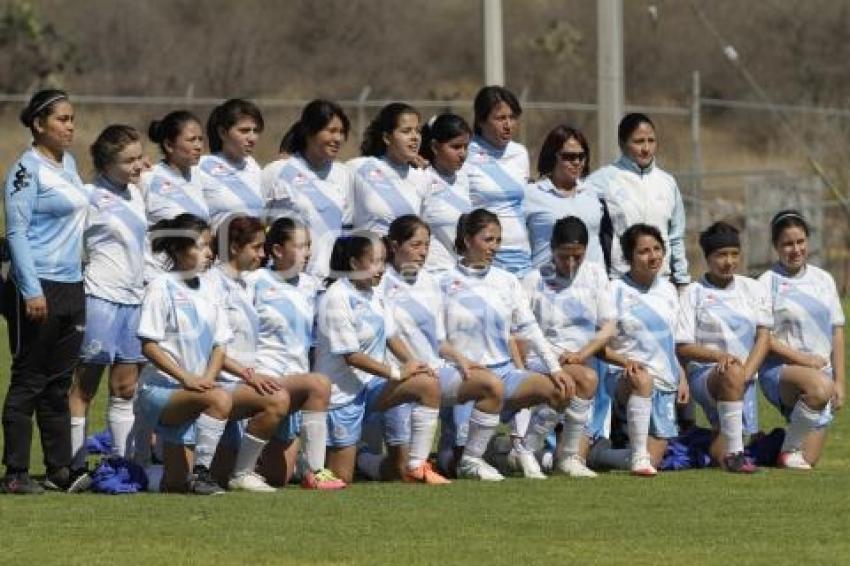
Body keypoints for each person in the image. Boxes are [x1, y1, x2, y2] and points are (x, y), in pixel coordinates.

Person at [440, 208, 575, 480]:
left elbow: (529, 328)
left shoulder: (507, 281)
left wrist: (555, 368)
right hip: (466, 378)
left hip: (504, 373)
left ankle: (524, 450)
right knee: (451, 462)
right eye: (488, 240)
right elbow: (434, 337)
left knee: (561, 389)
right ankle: (468, 456)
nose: (495, 247)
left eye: (498, 240)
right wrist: (458, 360)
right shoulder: (441, 281)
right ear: (467, 240)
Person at [1, 90, 90, 494]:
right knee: (28, 381)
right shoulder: (25, 171)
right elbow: (17, 231)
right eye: (62, 120)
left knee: (58, 382)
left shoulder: (69, 163)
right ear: (38, 124)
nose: (69, 126)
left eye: (72, 119)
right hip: (37, 287)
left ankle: (58, 470)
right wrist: (31, 290)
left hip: (72, 286)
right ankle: (17, 474)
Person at [380, 215, 504, 482]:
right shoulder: (381, 284)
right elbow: (386, 336)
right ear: (394, 245)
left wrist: (462, 359)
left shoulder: (430, 283)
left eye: (426, 245)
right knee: (395, 471)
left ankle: (470, 460)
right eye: (416, 245)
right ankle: (365, 461)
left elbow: (438, 341)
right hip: (396, 378)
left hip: (433, 373)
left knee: (491, 385)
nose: (423, 252)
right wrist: (411, 364)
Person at [315, 232, 442, 484]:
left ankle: (418, 466)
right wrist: (395, 373)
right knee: (341, 479)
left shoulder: (375, 294)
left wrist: (413, 363)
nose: (381, 269)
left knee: (428, 384)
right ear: (353, 264)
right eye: (374, 261)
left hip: (371, 387)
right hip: (342, 396)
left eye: (383, 261)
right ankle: (345, 456)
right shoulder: (336, 297)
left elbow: (391, 336)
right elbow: (351, 356)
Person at [68, 125, 149, 483]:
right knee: (84, 386)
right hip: (99, 298)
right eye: (129, 160)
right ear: (106, 163)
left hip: (134, 300)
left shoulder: (138, 194)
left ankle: (120, 463)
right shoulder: (86, 196)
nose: (138, 166)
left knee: (125, 388)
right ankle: (73, 464)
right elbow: (69, 244)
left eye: (140, 157)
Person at [136, 214, 233, 494]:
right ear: (178, 250)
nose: (209, 253)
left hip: (197, 389)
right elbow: (148, 345)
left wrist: (207, 378)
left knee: (174, 484)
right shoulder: (161, 286)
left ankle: (148, 471)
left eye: (210, 245)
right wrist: (188, 378)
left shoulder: (212, 287)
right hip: (160, 390)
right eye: (200, 246)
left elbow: (220, 344)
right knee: (220, 398)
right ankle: (202, 475)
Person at [248, 217, 346, 489]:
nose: (308, 252)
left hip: (295, 383)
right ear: (277, 250)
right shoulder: (254, 282)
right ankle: (316, 470)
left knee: (279, 477)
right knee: (319, 383)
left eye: (309, 245)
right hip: (263, 381)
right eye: (301, 246)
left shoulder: (310, 286)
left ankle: (301, 463)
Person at [203, 215, 294, 492]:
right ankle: (242, 473)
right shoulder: (212, 284)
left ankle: (242, 468)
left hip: (241, 380)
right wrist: (247, 374)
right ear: (233, 248)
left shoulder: (243, 284)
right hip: (220, 382)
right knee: (277, 398)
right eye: (256, 247)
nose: (262, 254)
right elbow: (211, 345)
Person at [590, 223, 689, 476]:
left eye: (657, 249)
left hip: (665, 379)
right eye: (644, 251)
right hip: (626, 376)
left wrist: (682, 376)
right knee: (642, 380)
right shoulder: (614, 290)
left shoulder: (668, 289)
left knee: (653, 461)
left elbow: (672, 342)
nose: (653, 256)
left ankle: (600, 453)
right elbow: (599, 346)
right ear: (629, 257)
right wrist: (625, 363)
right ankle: (637, 455)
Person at [522, 216, 615, 477]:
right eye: (564, 256)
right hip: (542, 357)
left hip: (578, 358)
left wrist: (580, 354)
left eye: (578, 256)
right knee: (585, 378)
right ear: (552, 249)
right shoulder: (534, 280)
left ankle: (559, 455)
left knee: (584, 376)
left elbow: (608, 326)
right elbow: (519, 330)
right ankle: (551, 454)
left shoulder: (595, 273)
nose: (571, 263)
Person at [675, 222, 769, 473]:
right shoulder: (693, 293)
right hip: (705, 375)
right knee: (731, 375)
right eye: (721, 255)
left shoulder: (752, 287)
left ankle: (707, 444)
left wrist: (746, 374)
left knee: (725, 448)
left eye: (734, 254)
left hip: (744, 376)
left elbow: (763, 336)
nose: (729, 261)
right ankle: (736, 457)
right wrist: (719, 357)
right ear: (707, 258)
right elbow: (683, 347)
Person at [758, 210, 844, 469]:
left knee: (807, 462)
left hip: (822, 374)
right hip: (780, 371)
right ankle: (788, 448)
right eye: (787, 243)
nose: (795, 249)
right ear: (776, 246)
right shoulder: (765, 282)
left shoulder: (824, 279)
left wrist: (840, 382)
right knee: (819, 388)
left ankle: (767, 446)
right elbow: (766, 340)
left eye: (800, 242)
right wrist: (804, 360)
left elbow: (837, 330)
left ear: (807, 241)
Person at [584, 113, 689, 286]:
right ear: (622, 144)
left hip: (662, 282)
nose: (646, 148)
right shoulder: (600, 182)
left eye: (651, 140)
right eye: (639, 141)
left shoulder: (668, 182)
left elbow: (676, 237)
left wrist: (682, 280)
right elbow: (589, 236)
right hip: (619, 281)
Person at [262, 99, 354, 280]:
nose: (338, 138)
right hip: (285, 282)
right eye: (331, 131)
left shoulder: (344, 174)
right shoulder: (277, 171)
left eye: (341, 132)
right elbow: (257, 225)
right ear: (309, 132)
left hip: (328, 282)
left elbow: (346, 231)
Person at [464, 86, 532, 278]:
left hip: (521, 255)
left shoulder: (520, 153)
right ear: (481, 120)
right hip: (486, 256)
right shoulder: (466, 153)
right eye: (500, 118)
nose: (508, 124)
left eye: (512, 117)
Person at [525, 125, 610, 271]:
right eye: (569, 157)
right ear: (553, 156)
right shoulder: (531, 194)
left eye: (581, 156)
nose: (577, 162)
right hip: (547, 286)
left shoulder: (593, 193)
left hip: (591, 286)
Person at [141, 110, 208, 281]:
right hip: (156, 278)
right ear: (169, 145)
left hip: (192, 278)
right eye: (191, 140)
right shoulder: (148, 178)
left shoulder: (200, 177)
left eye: (201, 139)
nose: (199, 146)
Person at [348, 103, 430, 236]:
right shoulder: (358, 168)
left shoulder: (422, 177)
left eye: (418, 130)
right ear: (387, 138)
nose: (415, 137)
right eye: (406, 131)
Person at [198, 99, 266, 230]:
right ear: (223, 133)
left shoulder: (253, 166)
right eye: (244, 130)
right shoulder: (202, 167)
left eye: (255, 131)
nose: (252, 138)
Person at [419, 113, 473, 275]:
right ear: (435, 147)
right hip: (432, 273)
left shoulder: (464, 179)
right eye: (456, 147)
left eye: (466, 147)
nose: (463, 154)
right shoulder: (421, 179)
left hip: (461, 274)